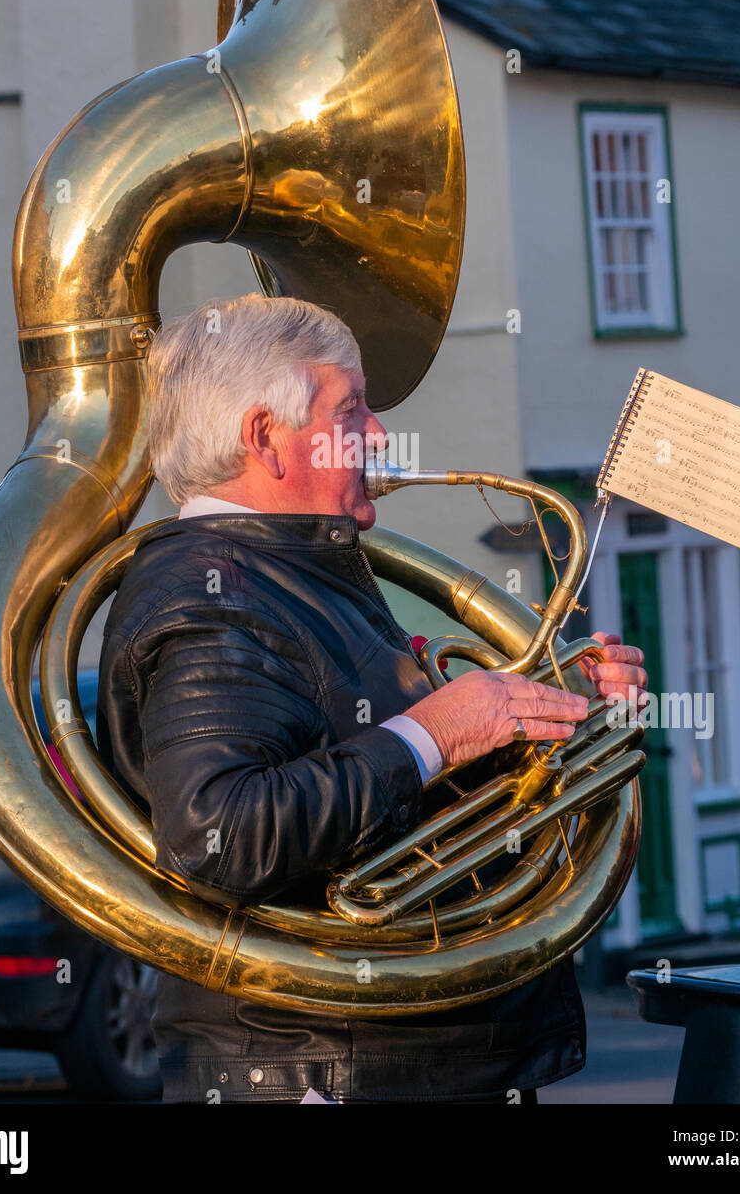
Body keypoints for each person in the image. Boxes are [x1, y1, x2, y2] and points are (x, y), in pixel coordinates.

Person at [96, 293, 647, 1103]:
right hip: (316, 1075)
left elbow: (393, 809)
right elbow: (220, 833)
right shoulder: (212, 594)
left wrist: (552, 719)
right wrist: (438, 732)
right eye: (350, 410)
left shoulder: (297, 571)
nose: (381, 435)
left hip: (391, 1065)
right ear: (263, 438)